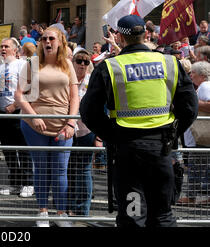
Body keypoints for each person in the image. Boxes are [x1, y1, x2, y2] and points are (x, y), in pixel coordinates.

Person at [79, 14, 198, 227]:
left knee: (132, 215)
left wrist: (111, 135)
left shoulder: (110, 67)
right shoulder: (169, 62)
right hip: (162, 147)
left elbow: (89, 112)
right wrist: (173, 133)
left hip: (127, 150)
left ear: (120, 37)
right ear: (146, 35)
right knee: (162, 214)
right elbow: (189, 108)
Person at [15, 26, 79, 227]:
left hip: (63, 126)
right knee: (41, 169)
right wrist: (33, 116)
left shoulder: (68, 65)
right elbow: (19, 95)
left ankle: (60, 213)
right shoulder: (32, 64)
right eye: (43, 38)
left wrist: (71, 121)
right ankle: (43, 211)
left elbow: (74, 96)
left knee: (60, 170)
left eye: (51, 38)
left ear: (60, 42)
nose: (47, 42)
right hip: (35, 126)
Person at [0, 38, 34, 198]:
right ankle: (15, 183)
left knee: (22, 149)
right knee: (9, 150)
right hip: (4, 115)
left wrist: (15, 106)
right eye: (1, 46)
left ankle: (28, 183)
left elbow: (28, 90)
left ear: (15, 50)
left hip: (19, 113)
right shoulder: (0, 68)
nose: (3, 49)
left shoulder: (22, 65)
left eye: (6, 47)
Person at [67, 49, 100, 217]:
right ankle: (69, 207)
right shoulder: (67, 81)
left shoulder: (93, 82)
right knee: (69, 169)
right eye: (79, 61)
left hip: (87, 131)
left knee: (84, 170)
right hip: (69, 130)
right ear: (72, 63)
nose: (82, 64)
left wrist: (99, 137)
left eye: (86, 62)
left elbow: (102, 108)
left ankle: (82, 210)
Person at [177, 61, 210, 205]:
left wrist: (194, 101)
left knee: (196, 167)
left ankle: (190, 197)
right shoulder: (204, 86)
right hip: (202, 137)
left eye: (193, 73)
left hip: (202, 137)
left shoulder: (205, 86)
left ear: (202, 75)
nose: (191, 75)